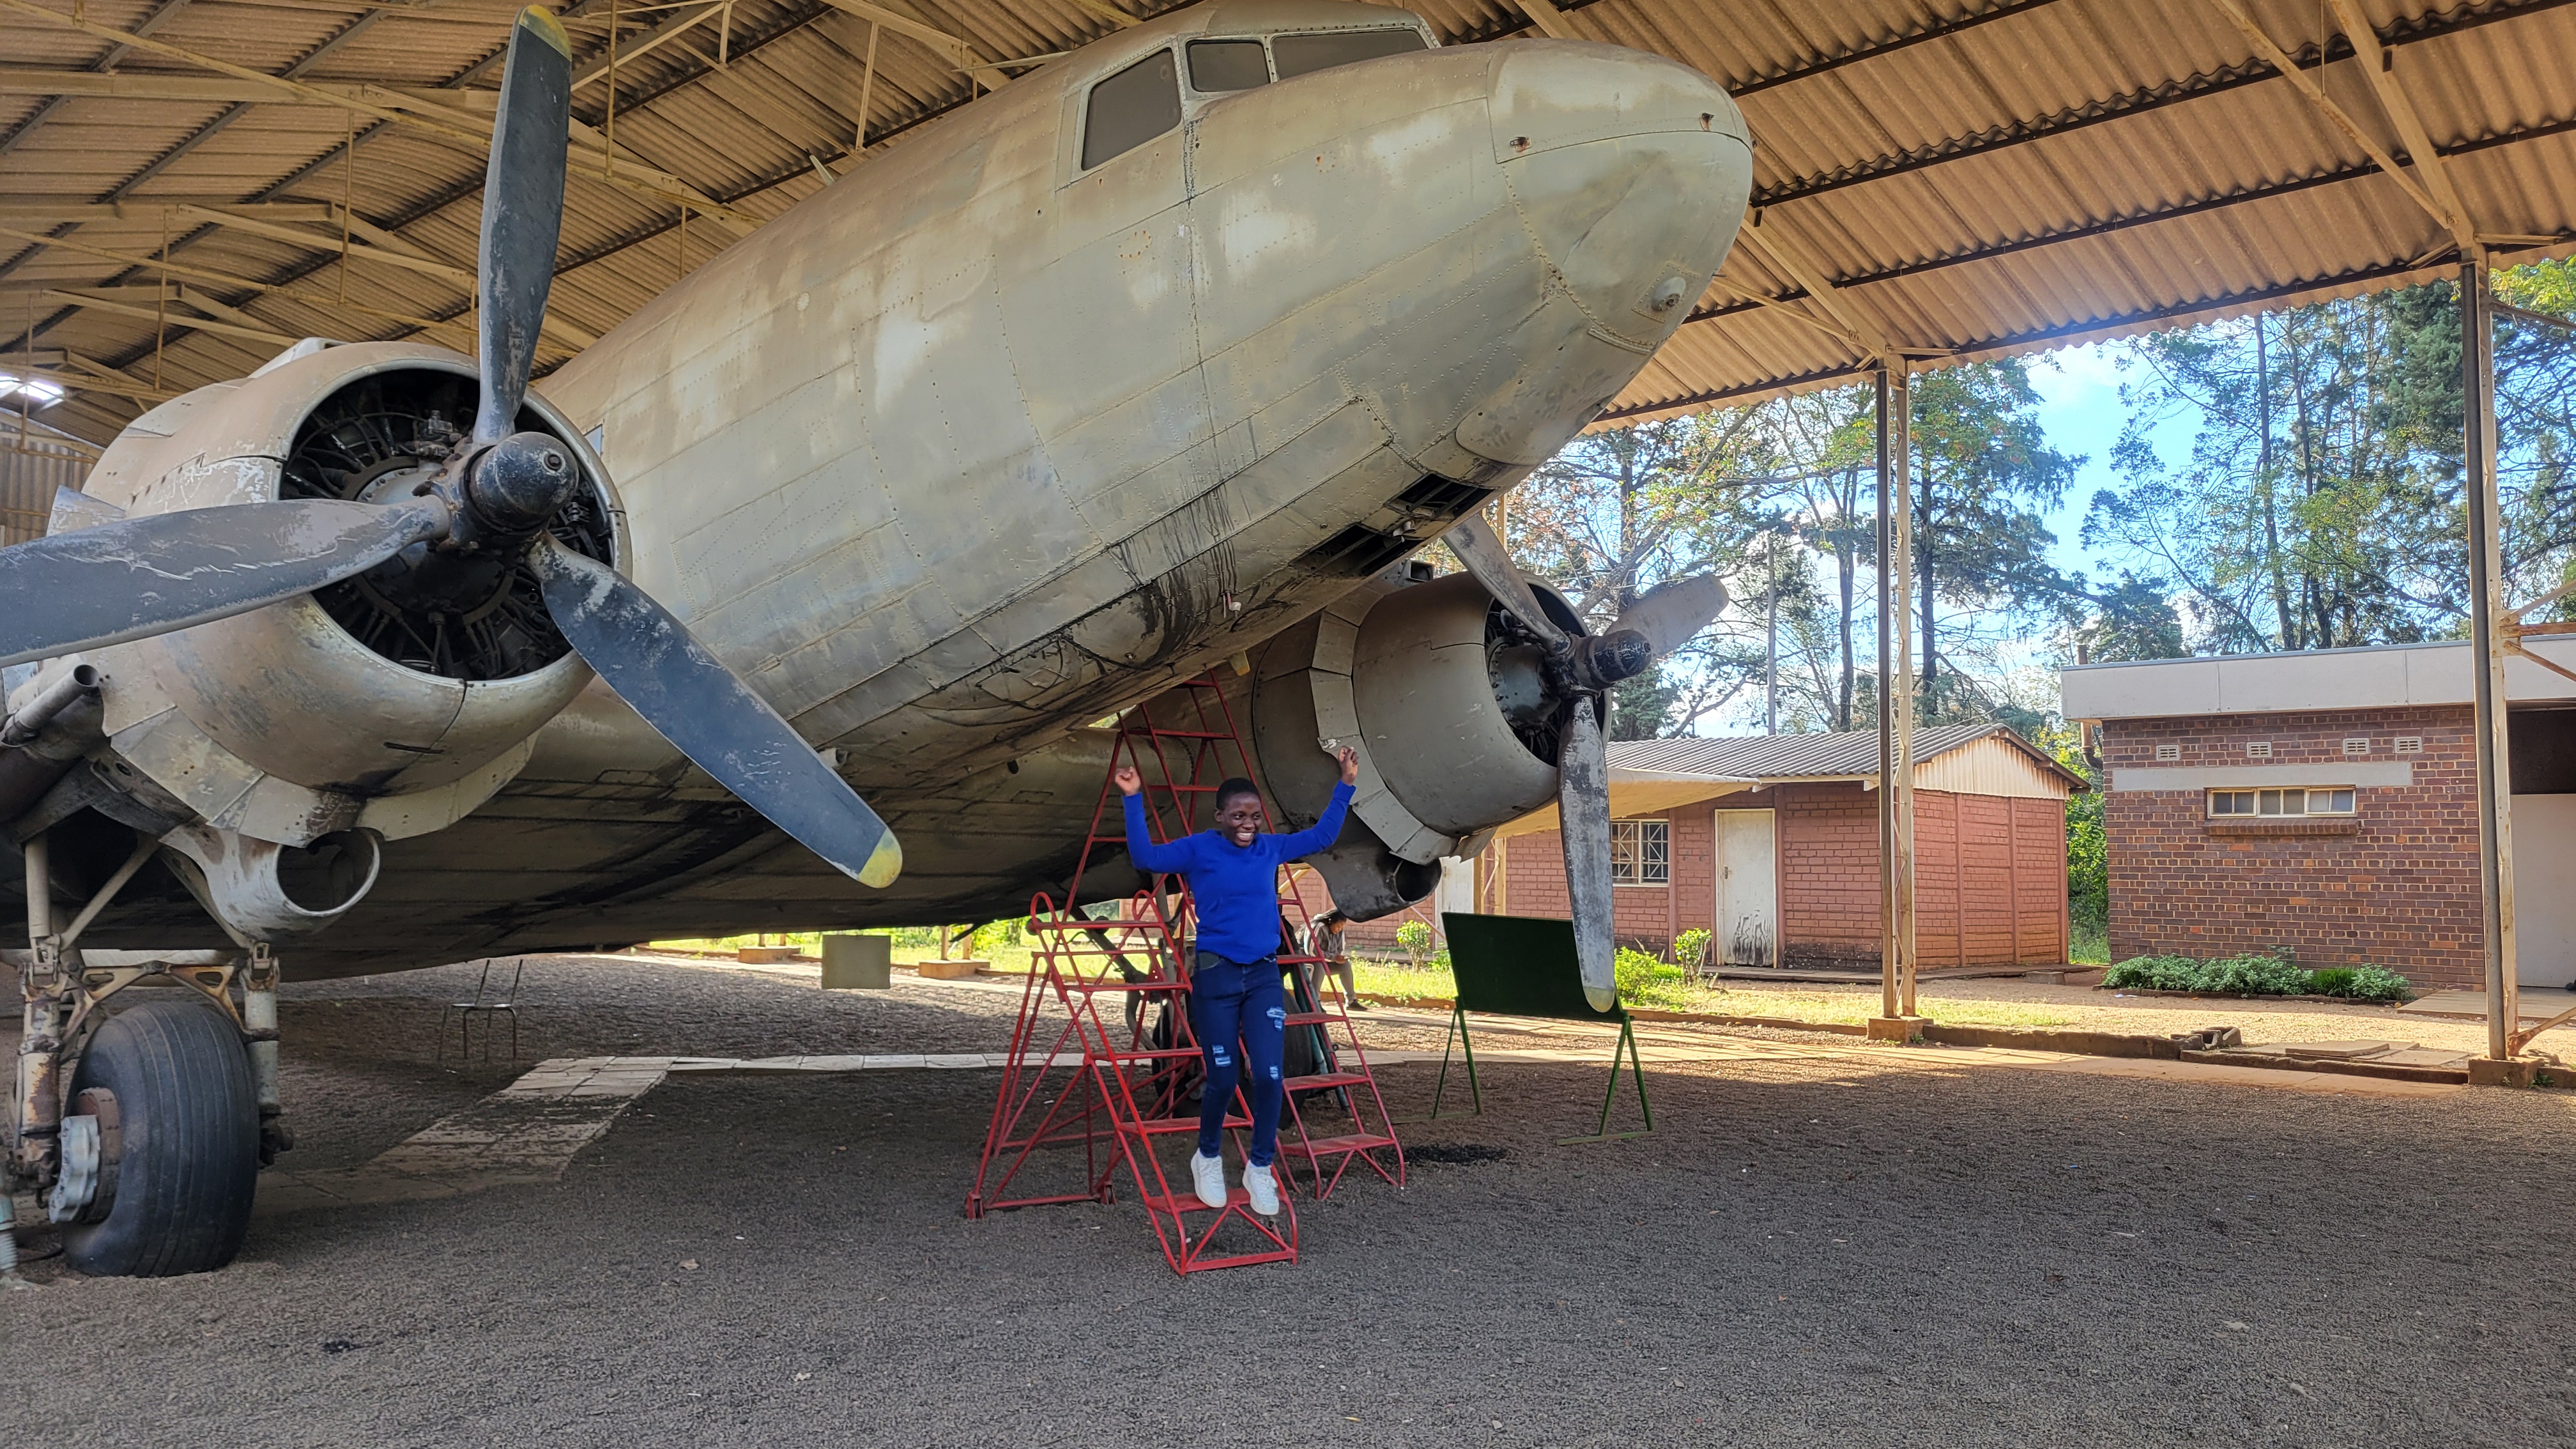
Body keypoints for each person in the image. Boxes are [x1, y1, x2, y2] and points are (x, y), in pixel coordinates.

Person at [1115, 746, 1359, 1216]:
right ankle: (1207, 1156)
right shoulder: (1198, 848)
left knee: (1269, 1076)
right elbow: (1145, 855)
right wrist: (1132, 798)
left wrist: (1345, 783)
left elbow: (1323, 836)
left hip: (1263, 974)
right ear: (1220, 817)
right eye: (1238, 816)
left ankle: (1260, 1167)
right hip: (1217, 973)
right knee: (1224, 1077)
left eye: (1254, 816)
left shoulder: (1270, 847)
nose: (1248, 824)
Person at [1307, 910, 1363, 1011]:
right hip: (1307, 961)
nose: (1339, 929)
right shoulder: (1318, 927)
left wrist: (1337, 958)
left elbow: (1339, 950)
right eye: (1338, 926)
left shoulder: (1340, 932)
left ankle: (1351, 1001)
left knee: (1345, 966)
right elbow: (1312, 951)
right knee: (1318, 967)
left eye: (1342, 927)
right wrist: (1332, 957)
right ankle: (1314, 1003)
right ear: (1330, 922)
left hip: (1325, 961)